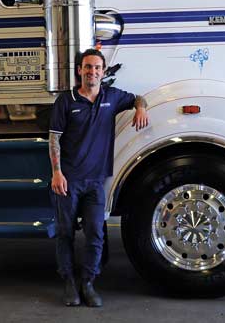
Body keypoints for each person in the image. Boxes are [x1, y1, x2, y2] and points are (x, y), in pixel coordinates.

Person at [48, 48, 149, 307]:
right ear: (79, 70)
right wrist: (57, 172)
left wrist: (141, 109)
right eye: (87, 67)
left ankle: (88, 282)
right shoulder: (66, 101)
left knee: (95, 234)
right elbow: (54, 138)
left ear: (103, 72)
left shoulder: (112, 97)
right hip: (68, 181)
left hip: (95, 182)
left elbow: (140, 98)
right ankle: (69, 282)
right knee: (65, 233)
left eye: (97, 68)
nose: (92, 71)